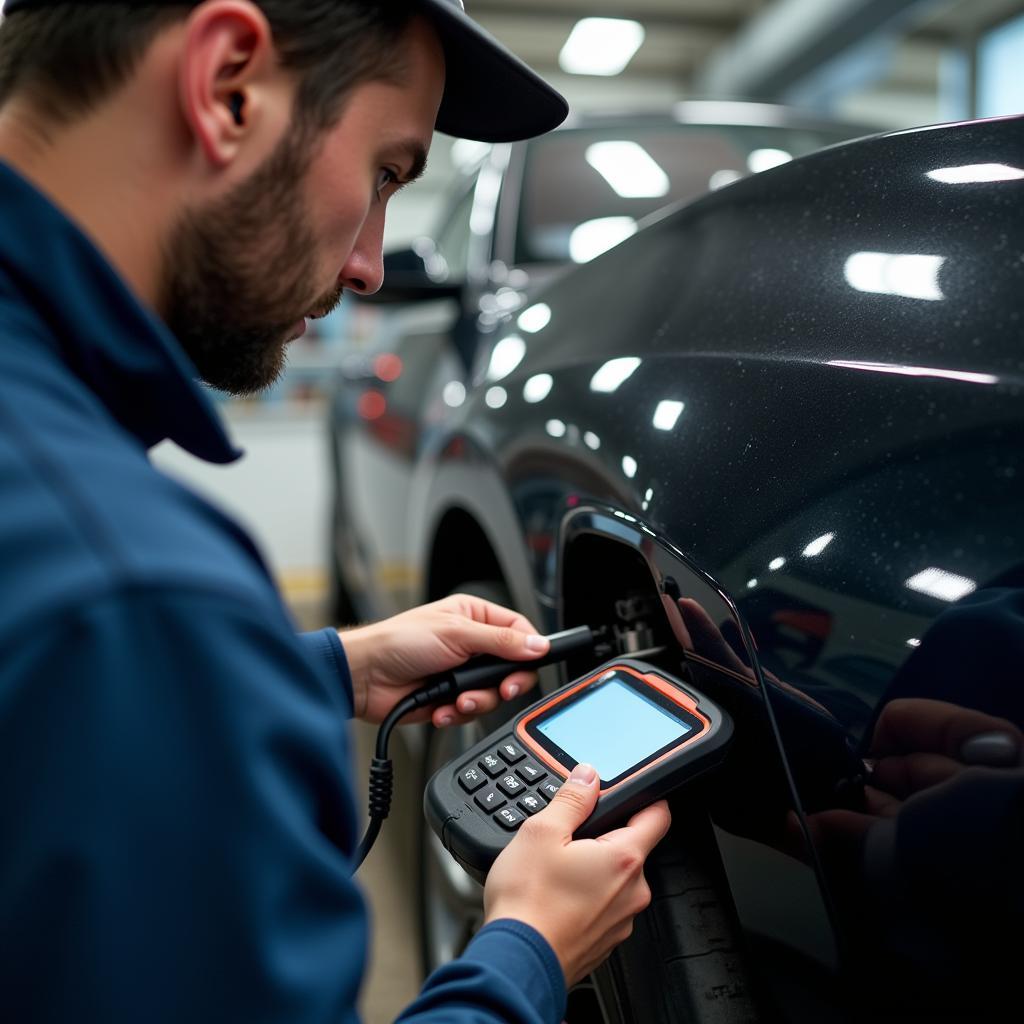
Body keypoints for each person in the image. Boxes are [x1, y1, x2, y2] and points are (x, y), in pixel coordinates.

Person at [0, 1, 671, 1022]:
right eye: (386, 173)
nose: (367, 264)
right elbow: (112, 645)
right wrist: (525, 955)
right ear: (229, 87)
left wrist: (321, 669)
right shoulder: (134, 601)